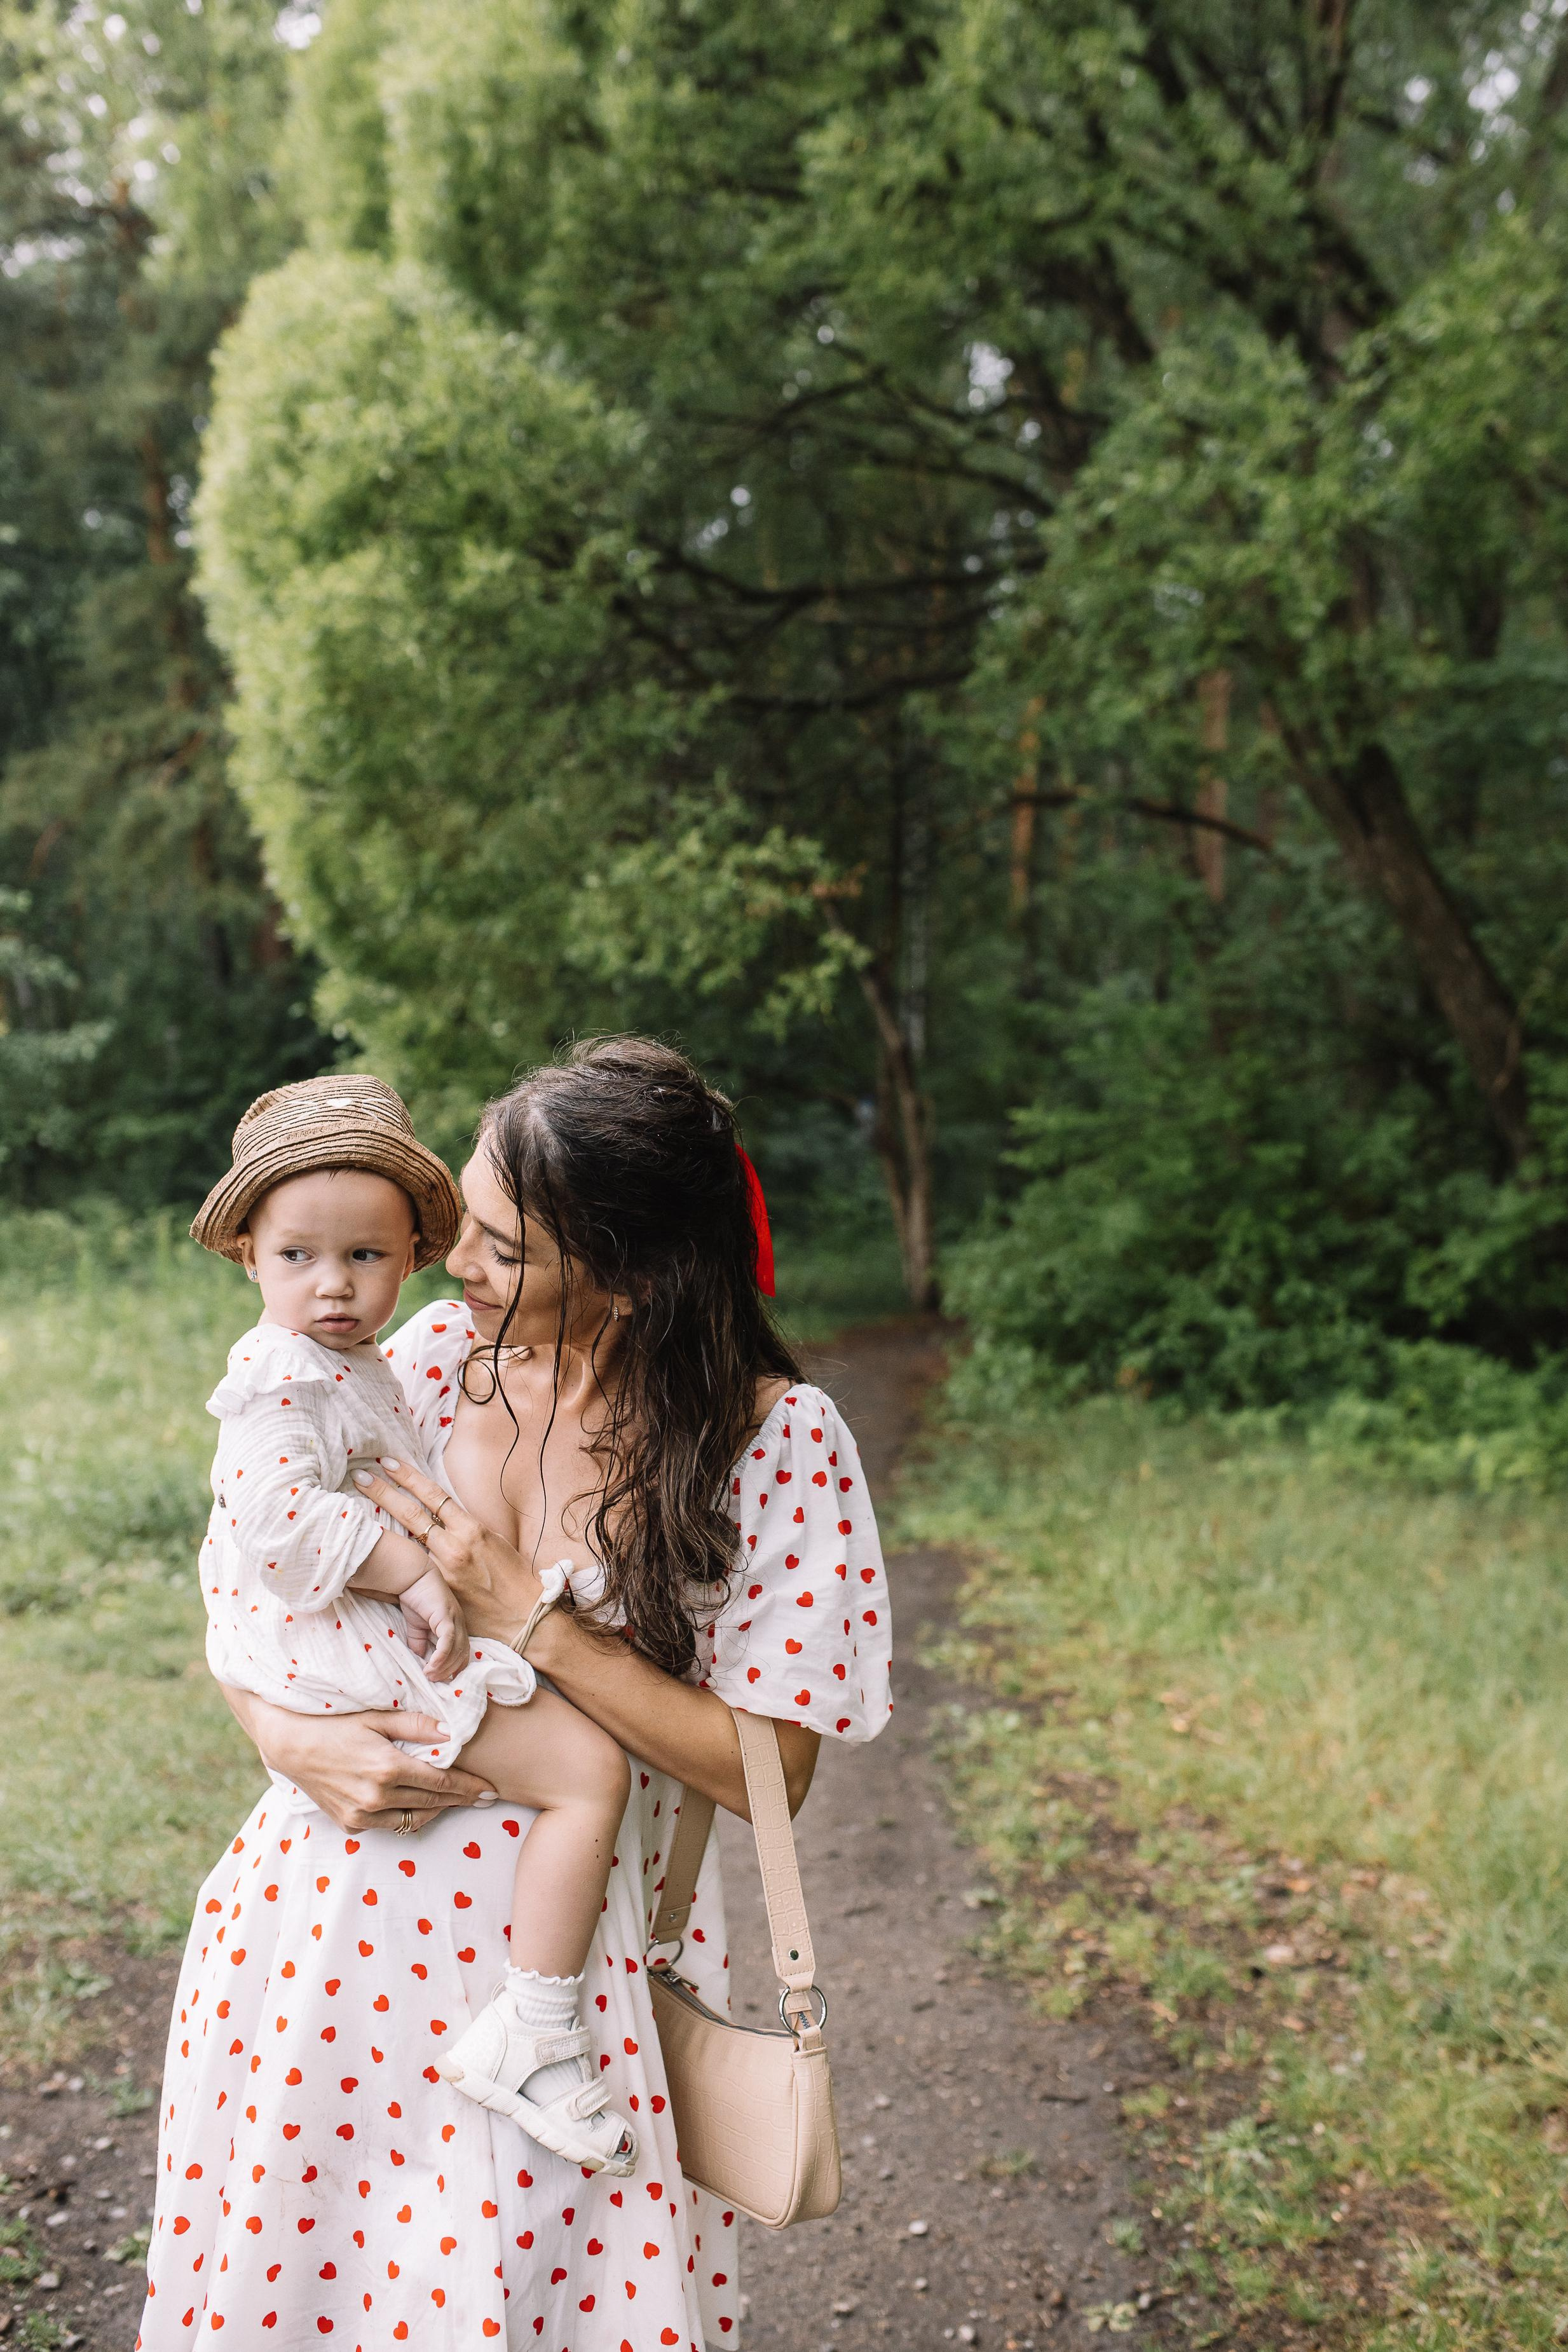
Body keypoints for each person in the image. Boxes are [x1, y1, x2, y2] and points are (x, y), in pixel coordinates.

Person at [139, 1036, 893, 2351]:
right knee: (319, 2294)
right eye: (465, 1231)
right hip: (326, 1939)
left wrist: (530, 1620)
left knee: (536, 2299)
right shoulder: (424, 1360)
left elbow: (770, 1771)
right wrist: (287, 1735)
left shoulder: (772, 1442)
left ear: (636, 1267)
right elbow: (251, 1568)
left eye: (506, 1246)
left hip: (559, 2000)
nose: (457, 1266)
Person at [184, 1072, 637, 2176]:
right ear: (249, 1253)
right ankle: (535, 2026)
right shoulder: (281, 1378)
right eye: (299, 1256)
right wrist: (413, 1576)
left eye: (365, 1257)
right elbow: (269, 1524)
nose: (333, 1286)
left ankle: (532, 2013)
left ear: (407, 1258)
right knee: (587, 1773)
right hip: (352, 1666)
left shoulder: (368, 1363)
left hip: (370, 1663)